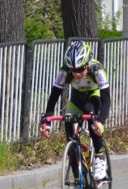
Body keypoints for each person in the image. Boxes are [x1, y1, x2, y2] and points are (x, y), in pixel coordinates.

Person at [40, 40, 111, 181]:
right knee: (68, 121)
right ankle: (78, 178)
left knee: (91, 116)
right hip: (77, 99)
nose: (77, 74)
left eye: (80, 69)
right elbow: (54, 96)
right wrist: (47, 122)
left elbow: (106, 99)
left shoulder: (97, 70)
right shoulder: (65, 72)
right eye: (74, 70)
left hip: (93, 97)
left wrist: (101, 122)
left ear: (87, 64)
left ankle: (99, 157)